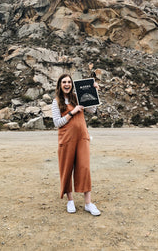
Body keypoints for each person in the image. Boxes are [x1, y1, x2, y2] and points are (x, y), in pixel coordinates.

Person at [52, 73, 101, 216]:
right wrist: (72, 112)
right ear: (60, 85)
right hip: (66, 139)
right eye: (64, 82)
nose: (67, 84)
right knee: (67, 168)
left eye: (69, 82)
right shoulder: (56, 102)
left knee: (84, 168)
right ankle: (70, 200)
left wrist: (94, 92)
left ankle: (88, 203)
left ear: (72, 84)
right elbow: (57, 123)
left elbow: (93, 110)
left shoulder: (78, 96)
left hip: (82, 137)